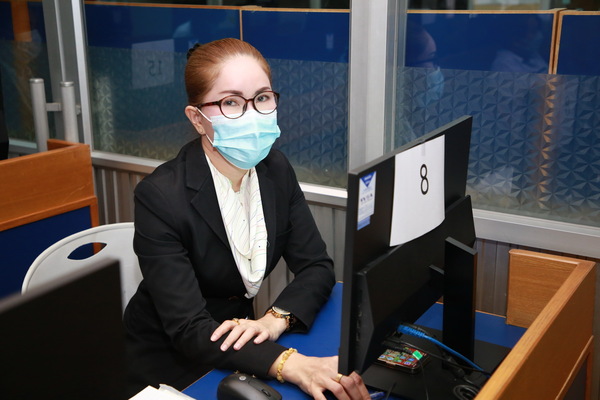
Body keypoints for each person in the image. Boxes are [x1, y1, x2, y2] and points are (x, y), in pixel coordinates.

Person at [124, 38, 370, 400]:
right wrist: (291, 364)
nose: (253, 114)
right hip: (172, 366)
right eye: (231, 102)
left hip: (242, 347)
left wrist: (274, 320)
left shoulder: (275, 168)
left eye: (262, 98)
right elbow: (189, 328)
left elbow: (317, 266)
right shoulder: (159, 197)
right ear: (197, 119)